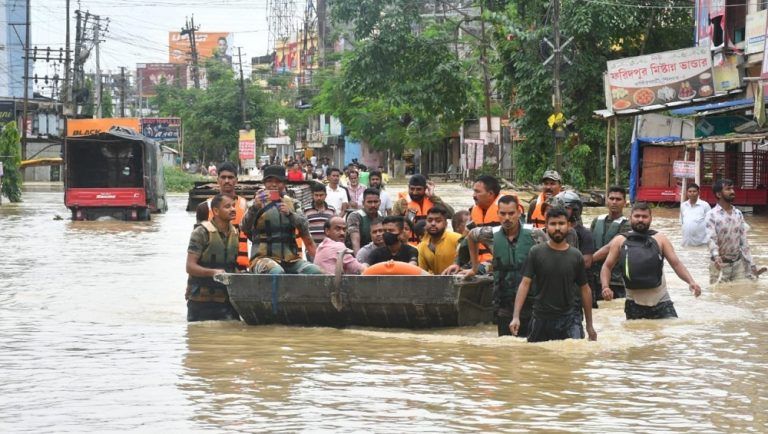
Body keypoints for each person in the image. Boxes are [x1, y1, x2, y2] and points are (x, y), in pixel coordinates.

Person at [601, 202, 702, 319]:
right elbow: (607, 266)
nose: (640, 219)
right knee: (635, 336)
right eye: (637, 216)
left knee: (668, 336)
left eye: (644, 217)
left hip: (661, 302)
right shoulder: (620, 240)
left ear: (651, 219)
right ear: (630, 218)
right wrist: (605, 287)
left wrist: (691, 282)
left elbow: (676, 264)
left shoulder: (660, 239)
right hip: (633, 303)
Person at [510, 208, 596, 342]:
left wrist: (590, 326)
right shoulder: (536, 252)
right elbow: (525, 284)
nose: (557, 228)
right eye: (553, 224)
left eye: (561, 224)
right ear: (546, 226)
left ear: (568, 225)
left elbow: (585, 290)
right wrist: (516, 316)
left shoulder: (576, 256)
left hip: (569, 319)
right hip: (541, 318)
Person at [462, 195, 537, 337]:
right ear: (498, 214)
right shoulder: (490, 234)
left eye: (511, 213)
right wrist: (474, 268)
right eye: (503, 214)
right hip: (504, 301)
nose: (507, 218)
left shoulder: (534, 234)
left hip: (532, 302)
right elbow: (471, 236)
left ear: (519, 213)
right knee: (505, 346)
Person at [241, 165, 323, 275]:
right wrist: (255, 208)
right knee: (277, 272)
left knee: (316, 272)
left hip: (290, 259)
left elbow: (304, 226)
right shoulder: (254, 204)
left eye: (278, 181)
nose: (274, 184)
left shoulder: (293, 203)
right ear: (264, 183)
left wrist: (290, 214)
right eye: (270, 181)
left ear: (284, 184)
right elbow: (244, 227)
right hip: (262, 259)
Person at [185, 194, 240, 322]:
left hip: (227, 300)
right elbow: (190, 267)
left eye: (233, 206)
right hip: (201, 301)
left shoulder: (235, 232)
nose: (232, 209)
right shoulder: (200, 233)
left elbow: (232, 264)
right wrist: (213, 273)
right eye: (227, 207)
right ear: (215, 211)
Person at [196, 162, 250, 270]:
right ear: (218, 180)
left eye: (230, 177)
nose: (227, 181)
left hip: (239, 268)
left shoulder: (246, 207)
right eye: (223, 177)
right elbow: (196, 244)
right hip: (211, 268)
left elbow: (254, 237)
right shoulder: (204, 208)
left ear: (236, 180)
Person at [705, 179, 761, 284]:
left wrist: (751, 264)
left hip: (738, 264)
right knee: (718, 297)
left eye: (732, 188)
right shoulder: (711, 215)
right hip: (719, 265)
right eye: (728, 189)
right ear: (718, 194)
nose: (732, 191)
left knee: (739, 296)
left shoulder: (738, 213)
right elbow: (711, 239)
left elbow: (744, 241)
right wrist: (716, 257)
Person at [590, 186, 631, 305]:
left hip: (616, 280)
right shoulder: (596, 221)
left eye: (618, 199)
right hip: (594, 278)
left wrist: (588, 260)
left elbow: (611, 248)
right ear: (606, 200)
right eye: (611, 198)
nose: (614, 202)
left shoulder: (627, 225)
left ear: (624, 202)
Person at [393, 174, 455, 244]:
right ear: (408, 188)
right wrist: (410, 213)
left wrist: (433, 197)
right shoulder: (401, 203)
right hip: (409, 246)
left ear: (425, 189)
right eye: (412, 189)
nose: (415, 192)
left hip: (432, 244)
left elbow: (451, 214)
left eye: (418, 189)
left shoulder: (434, 201)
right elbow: (393, 226)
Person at [417, 206, 463, 275]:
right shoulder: (422, 246)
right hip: (437, 282)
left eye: (438, 221)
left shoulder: (457, 238)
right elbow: (422, 272)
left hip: (458, 280)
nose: (433, 224)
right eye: (429, 220)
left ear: (446, 224)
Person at [346, 188, 383, 254]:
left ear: (379, 202)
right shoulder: (355, 216)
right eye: (369, 202)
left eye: (375, 202)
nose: (373, 205)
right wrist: (358, 260)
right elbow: (355, 242)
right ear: (363, 203)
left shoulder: (381, 216)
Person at [304, 182, 336, 256]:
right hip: (311, 249)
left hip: (328, 249)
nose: (319, 198)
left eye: (321, 195)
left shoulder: (331, 210)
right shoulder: (306, 210)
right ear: (312, 195)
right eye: (316, 195)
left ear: (325, 195)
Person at [680, 183, 711, 247]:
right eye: (690, 191)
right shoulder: (683, 206)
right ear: (687, 193)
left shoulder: (705, 205)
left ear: (698, 192)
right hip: (686, 244)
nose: (692, 193)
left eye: (694, 191)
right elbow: (682, 222)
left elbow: (711, 224)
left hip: (701, 245)